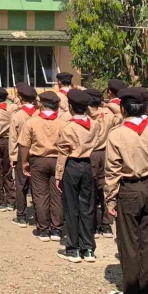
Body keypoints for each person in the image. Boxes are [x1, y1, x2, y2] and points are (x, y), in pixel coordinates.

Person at [105, 87, 148, 294]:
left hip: (128, 189)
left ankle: (132, 293)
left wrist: (110, 199)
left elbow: (112, 171)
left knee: (129, 242)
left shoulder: (117, 134)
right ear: (146, 107)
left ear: (122, 109)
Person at [56, 89, 101, 263]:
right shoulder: (94, 125)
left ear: (71, 106)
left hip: (71, 165)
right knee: (87, 207)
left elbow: (62, 152)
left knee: (71, 208)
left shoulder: (68, 127)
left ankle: (73, 248)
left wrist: (59, 174)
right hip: (87, 164)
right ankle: (88, 247)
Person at [20, 91, 64, 242]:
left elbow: (25, 145)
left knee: (40, 195)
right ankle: (57, 229)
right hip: (57, 160)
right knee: (57, 194)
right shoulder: (62, 122)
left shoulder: (32, 122)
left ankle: (43, 229)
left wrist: (24, 162)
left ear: (41, 103)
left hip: (38, 160)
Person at [87, 89, 115, 239]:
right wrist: (107, 104)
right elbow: (120, 115)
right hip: (105, 153)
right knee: (105, 189)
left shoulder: (85, 116)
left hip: (89, 154)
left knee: (89, 189)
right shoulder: (108, 115)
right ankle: (106, 224)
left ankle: (93, 225)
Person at [10, 83, 38, 228]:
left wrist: (13, 157)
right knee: (38, 187)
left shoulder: (17, 115)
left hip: (22, 153)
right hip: (38, 153)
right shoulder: (39, 114)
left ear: (20, 98)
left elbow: (13, 139)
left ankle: (21, 215)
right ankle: (40, 216)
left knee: (20, 184)